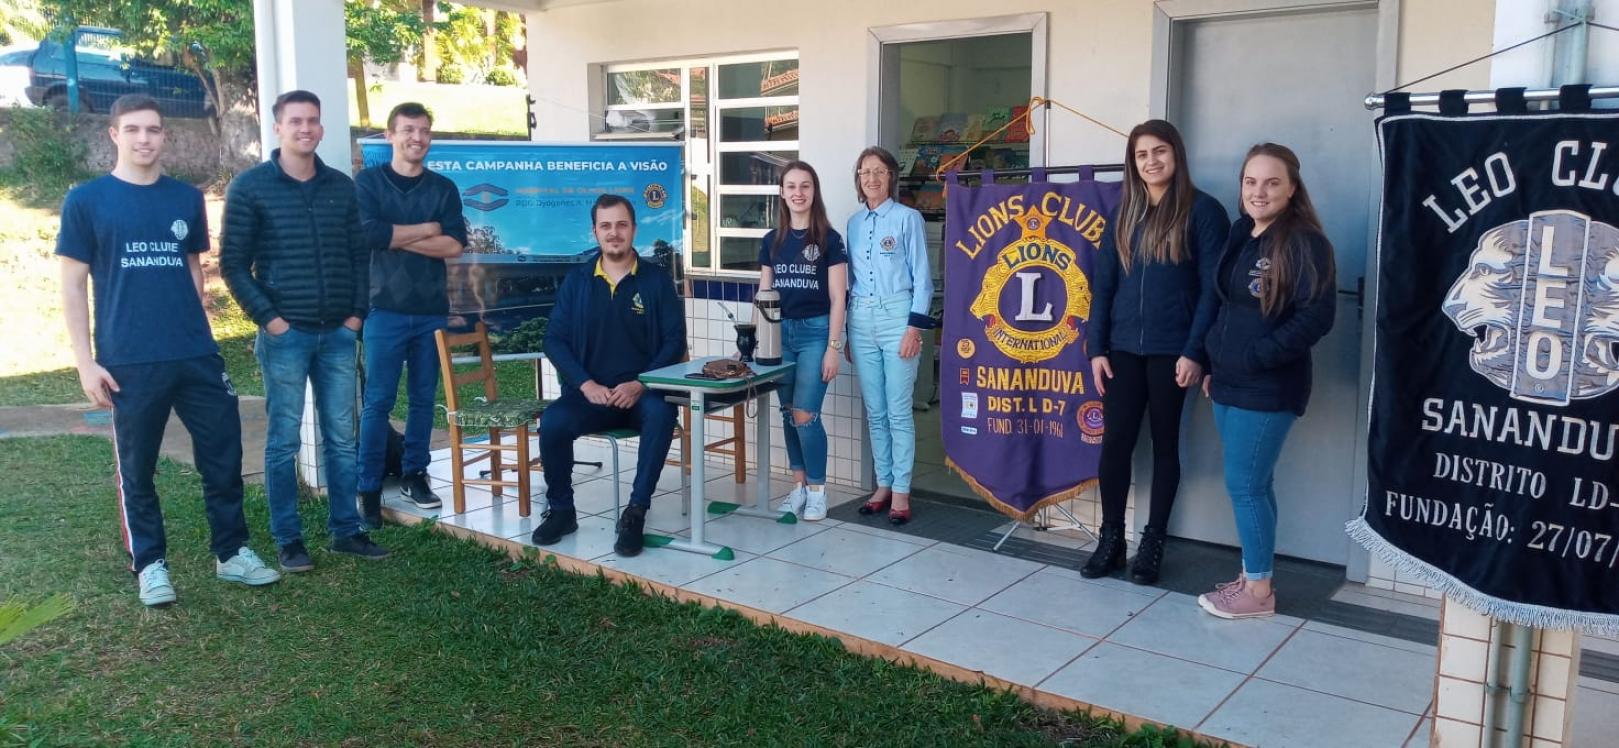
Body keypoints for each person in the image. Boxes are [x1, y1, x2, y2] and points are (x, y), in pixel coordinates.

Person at [58, 94, 281, 606]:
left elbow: (192, 269)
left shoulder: (185, 198)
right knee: (137, 467)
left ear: (164, 135)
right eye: (133, 129)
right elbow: (71, 285)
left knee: (223, 454)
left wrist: (196, 327)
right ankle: (150, 564)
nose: (144, 139)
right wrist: (86, 362)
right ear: (114, 135)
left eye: (153, 130)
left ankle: (232, 553)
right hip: (128, 359)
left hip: (195, 354)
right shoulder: (87, 201)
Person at [221, 89, 389, 572]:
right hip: (285, 336)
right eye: (295, 121)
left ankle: (346, 531)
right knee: (283, 442)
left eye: (312, 120)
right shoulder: (250, 187)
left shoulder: (341, 187)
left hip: (338, 333)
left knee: (342, 437)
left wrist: (356, 315)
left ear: (321, 127)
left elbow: (359, 256)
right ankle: (289, 539)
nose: (305, 129)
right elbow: (233, 264)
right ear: (277, 127)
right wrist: (270, 319)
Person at [1082, 120, 1231, 585]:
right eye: (1142, 154)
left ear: (1176, 154)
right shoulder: (1123, 214)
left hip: (1174, 352)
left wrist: (1195, 351)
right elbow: (1103, 285)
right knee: (1115, 445)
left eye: (1160, 151)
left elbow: (1212, 291)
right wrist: (1097, 347)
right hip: (1122, 350)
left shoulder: (1204, 212)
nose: (1151, 161)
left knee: (1166, 445)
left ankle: (1153, 542)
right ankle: (1111, 540)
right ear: (1133, 162)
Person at [1197, 143, 1337, 619]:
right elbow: (1225, 304)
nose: (1259, 191)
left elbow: (1316, 318)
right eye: (1250, 181)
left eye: (1272, 182)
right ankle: (1253, 576)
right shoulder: (1241, 232)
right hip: (1227, 383)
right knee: (1256, 483)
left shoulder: (1305, 243)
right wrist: (1214, 362)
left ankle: (1258, 594)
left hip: (1268, 387)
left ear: (1292, 188)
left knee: (1245, 487)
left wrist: (1256, 358)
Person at [530, 194, 686, 557]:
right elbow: (553, 339)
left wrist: (641, 383)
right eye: (606, 226)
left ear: (633, 229)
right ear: (595, 232)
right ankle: (562, 510)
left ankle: (636, 512)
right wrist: (586, 385)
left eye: (621, 225)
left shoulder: (656, 281)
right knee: (553, 422)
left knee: (663, 414)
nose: (614, 233)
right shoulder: (578, 281)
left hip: (642, 394)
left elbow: (674, 340)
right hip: (592, 395)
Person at [354, 102, 467, 527]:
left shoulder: (443, 189)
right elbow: (368, 234)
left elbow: (454, 245)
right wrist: (426, 229)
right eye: (407, 130)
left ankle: (414, 475)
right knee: (378, 402)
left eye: (423, 131)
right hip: (383, 309)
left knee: (423, 399)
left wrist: (395, 237)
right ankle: (367, 488)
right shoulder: (369, 183)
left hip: (431, 311)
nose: (416, 138)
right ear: (390, 135)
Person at [845, 146, 932, 525]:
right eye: (865, 172)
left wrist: (914, 327)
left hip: (898, 315)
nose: (872, 178)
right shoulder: (853, 223)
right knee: (875, 410)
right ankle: (882, 484)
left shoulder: (908, 218)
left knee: (898, 410)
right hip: (860, 317)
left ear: (891, 176)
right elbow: (850, 281)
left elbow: (923, 279)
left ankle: (901, 491)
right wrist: (847, 333)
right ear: (859, 179)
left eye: (879, 171)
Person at [760, 161, 848, 521]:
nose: (798, 193)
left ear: (814, 191)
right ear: (782, 193)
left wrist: (833, 348)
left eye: (805, 186)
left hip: (815, 333)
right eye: (792, 186)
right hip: (780, 334)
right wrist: (755, 341)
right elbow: (764, 294)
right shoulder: (771, 241)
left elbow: (839, 298)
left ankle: (817, 491)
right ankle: (798, 486)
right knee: (787, 413)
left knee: (805, 415)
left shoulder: (830, 239)